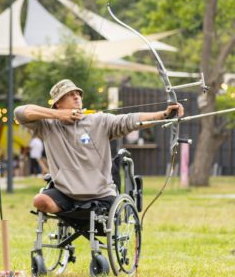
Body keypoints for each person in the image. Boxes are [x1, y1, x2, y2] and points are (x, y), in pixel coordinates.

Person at [14, 79, 184, 214]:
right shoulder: (48, 126)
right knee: (40, 200)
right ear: (58, 103)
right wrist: (57, 115)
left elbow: (130, 120)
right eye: (70, 94)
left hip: (100, 194)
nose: (77, 97)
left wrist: (164, 114)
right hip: (66, 194)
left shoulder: (99, 120)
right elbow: (20, 112)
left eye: (78, 94)